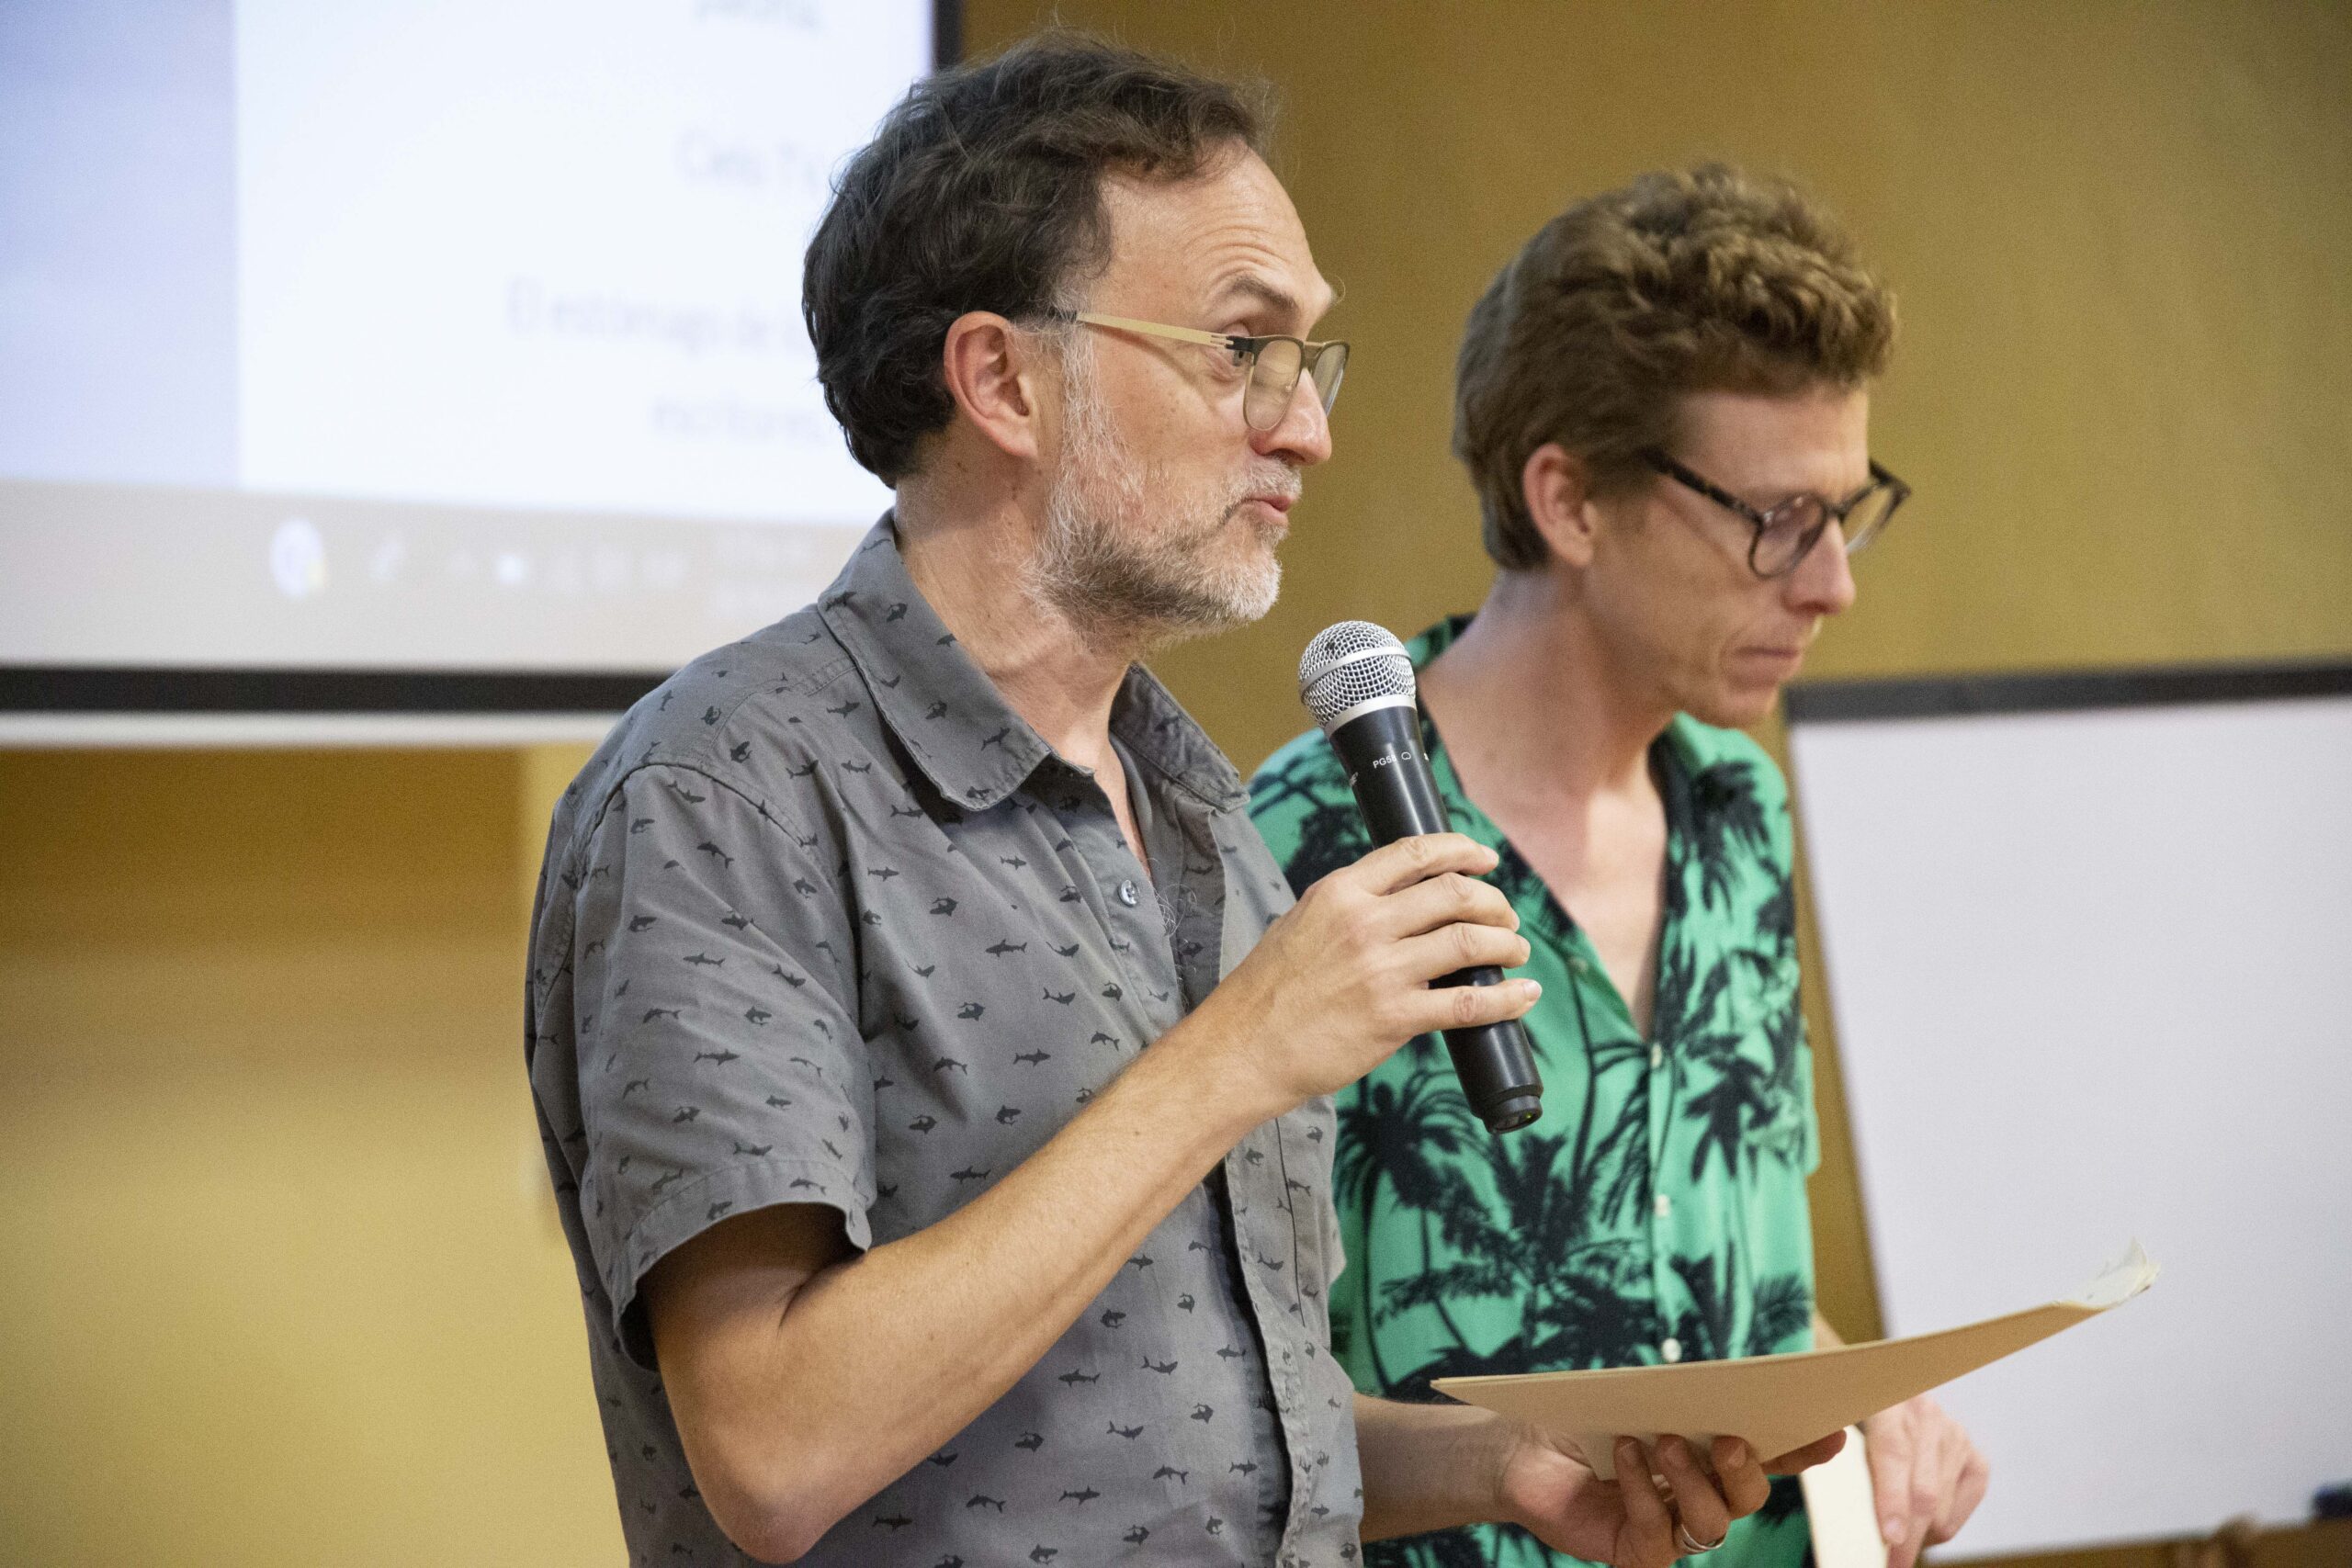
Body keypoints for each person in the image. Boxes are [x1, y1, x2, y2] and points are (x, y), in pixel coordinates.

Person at [525, 41, 1833, 1568]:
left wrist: (1505, 1464)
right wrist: (1236, 1054)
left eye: (1306, 359)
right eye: (1240, 348)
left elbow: (1208, 1439)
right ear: (1004, 380)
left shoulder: (1193, 809)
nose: (1307, 428)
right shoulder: (725, 793)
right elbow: (771, 1447)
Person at [1250, 164, 1986, 1568]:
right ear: (1572, 501)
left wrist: (1869, 1407)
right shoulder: (1296, 848)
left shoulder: (1739, 808)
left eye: (1847, 513)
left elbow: (1730, 1290)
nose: (1833, 583)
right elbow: (1225, 1412)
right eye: (1781, 519)